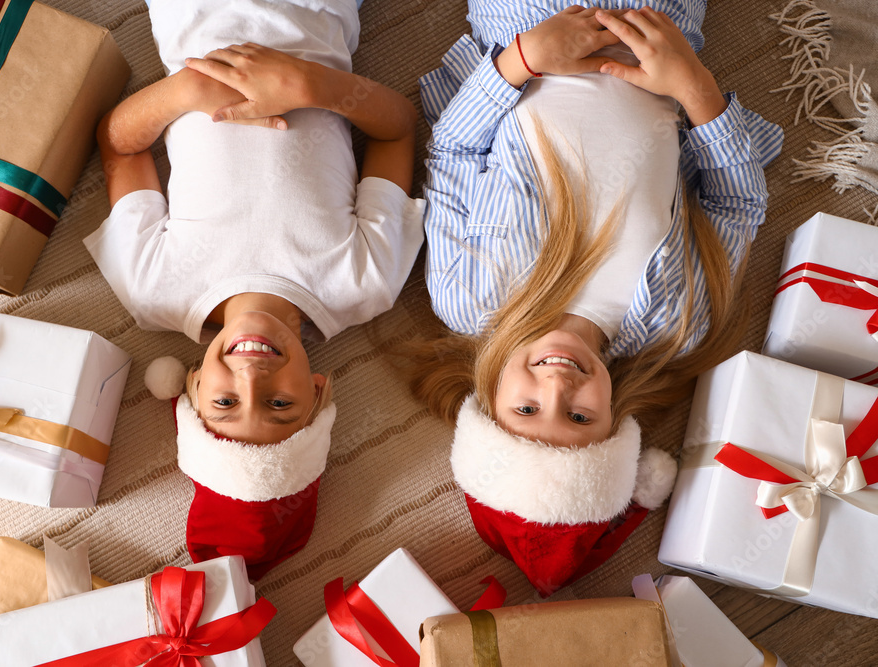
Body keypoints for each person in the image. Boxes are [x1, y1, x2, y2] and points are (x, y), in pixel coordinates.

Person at [409, 2, 783, 595]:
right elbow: (736, 205)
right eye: (579, 417)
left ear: (488, 399)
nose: (556, 387)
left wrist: (523, 57)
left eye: (527, 411)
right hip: (658, 29)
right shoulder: (676, 322)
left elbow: (452, 152)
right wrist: (694, 86)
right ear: (614, 422)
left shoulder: (468, 297)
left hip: (525, 25)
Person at [84, 0, 424, 578]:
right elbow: (397, 128)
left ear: (190, 388)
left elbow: (119, 144)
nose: (251, 378)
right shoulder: (364, 283)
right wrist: (311, 83)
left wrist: (186, 92)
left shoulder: (153, 289)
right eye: (280, 406)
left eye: (224, 404)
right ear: (319, 393)